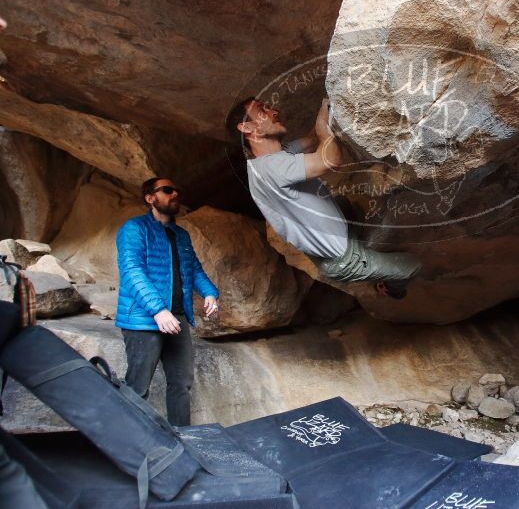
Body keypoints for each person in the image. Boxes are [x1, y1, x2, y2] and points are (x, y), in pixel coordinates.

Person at [226, 97, 421, 299]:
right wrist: (323, 127)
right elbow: (332, 159)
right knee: (412, 266)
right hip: (344, 259)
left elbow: (311, 139)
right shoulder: (272, 169)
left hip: (328, 243)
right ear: (246, 128)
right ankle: (391, 289)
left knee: (345, 203)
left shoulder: (268, 160)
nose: (274, 112)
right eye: (262, 111)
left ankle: (359, 245)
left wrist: (326, 108)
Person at [114, 178, 219, 426]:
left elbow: (193, 269)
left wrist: (210, 293)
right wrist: (158, 310)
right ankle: (133, 442)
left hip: (177, 318)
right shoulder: (134, 229)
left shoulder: (180, 235)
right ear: (150, 198)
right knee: (137, 387)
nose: (174, 194)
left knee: (182, 384)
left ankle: (183, 439)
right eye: (167, 190)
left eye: (177, 190)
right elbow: (132, 271)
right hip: (144, 320)